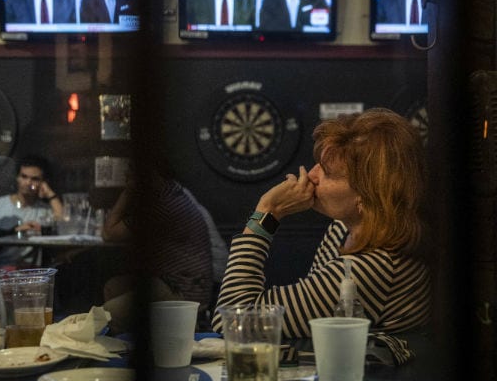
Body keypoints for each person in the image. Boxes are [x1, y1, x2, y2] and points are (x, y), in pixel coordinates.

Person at [212, 109, 431, 352]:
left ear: (367, 195)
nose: (311, 175)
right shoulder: (342, 228)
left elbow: (232, 322)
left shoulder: (370, 268)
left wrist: (267, 213)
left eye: (328, 173)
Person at [101, 164, 213, 334]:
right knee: (113, 287)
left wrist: (128, 192)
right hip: (174, 282)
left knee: (108, 314)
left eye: (131, 174)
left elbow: (108, 234)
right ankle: (131, 337)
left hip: (183, 292)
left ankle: (137, 337)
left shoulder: (162, 205)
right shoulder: (170, 193)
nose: (126, 177)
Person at [0, 155, 63, 268]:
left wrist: (50, 194)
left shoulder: (44, 210)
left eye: (35, 179)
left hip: (31, 270)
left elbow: (64, 224)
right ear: (17, 178)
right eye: (24, 177)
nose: (28, 183)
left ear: (43, 182)